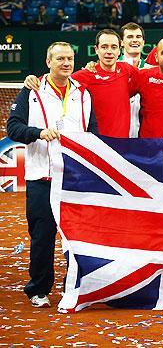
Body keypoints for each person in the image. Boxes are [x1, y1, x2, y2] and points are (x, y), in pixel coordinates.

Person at [7, 42, 98, 308]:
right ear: (48, 62)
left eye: (70, 58)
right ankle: (39, 289)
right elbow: (13, 127)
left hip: (75, 179)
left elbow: (92, 131)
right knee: (42, 236)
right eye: (60, 58)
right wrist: (37, 132)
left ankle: (78, 286)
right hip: (41, 178)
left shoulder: (83, 92)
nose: (66, 63)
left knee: (80, 237)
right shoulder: (31, 90)